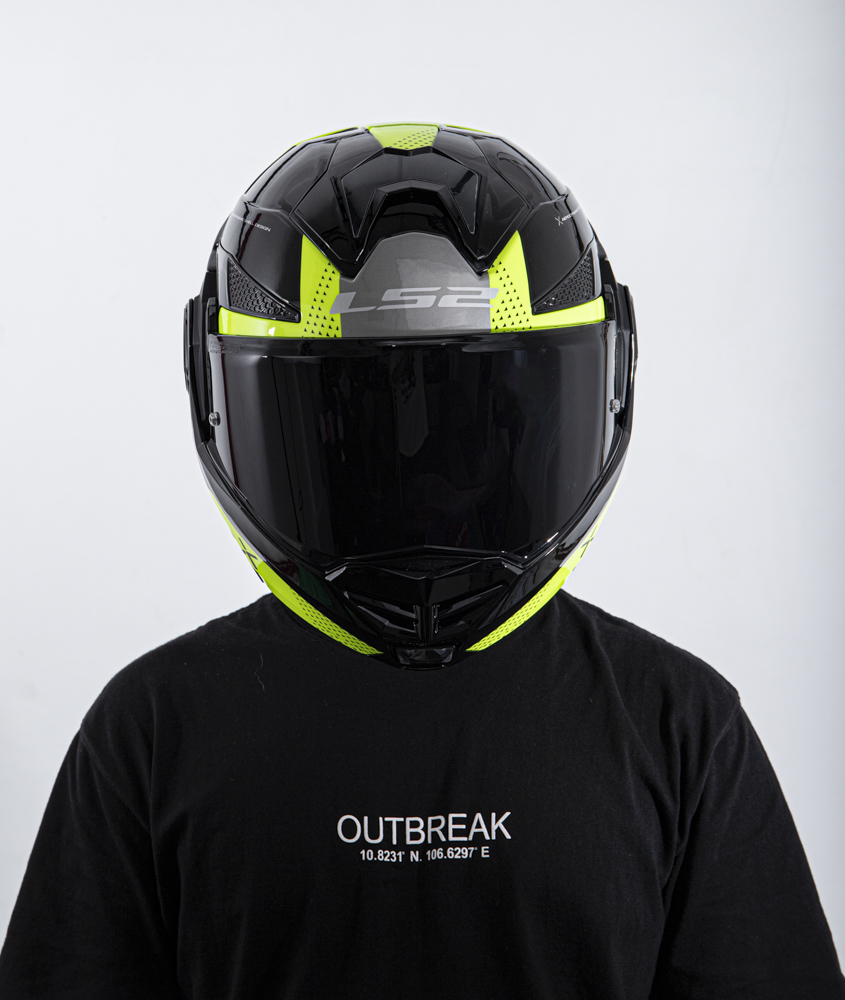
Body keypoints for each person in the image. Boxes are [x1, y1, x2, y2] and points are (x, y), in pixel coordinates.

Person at [0, 122, 842, 999]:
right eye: (363, 435)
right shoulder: (149, 733)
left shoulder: (680, 727)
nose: (424, 482)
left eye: (471, 436)